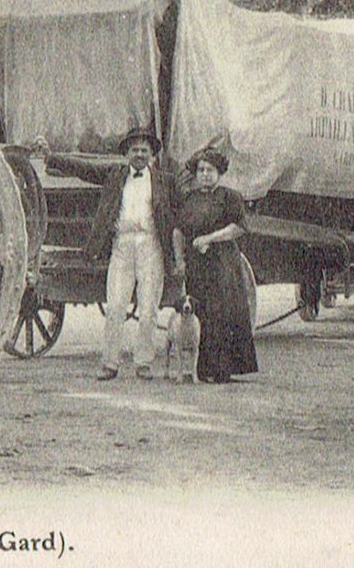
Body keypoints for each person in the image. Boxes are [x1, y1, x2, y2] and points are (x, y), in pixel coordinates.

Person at [34, 126, 177, 381]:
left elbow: (182, 208)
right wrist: (51, 157)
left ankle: (143, 363)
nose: (140, 155)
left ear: (152, 155)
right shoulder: (114, 174)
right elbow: (82, 169)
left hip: (151, 245)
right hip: (122, 245)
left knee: (148, 309)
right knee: (115, 307)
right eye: (135, 150)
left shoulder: (165, 180)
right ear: (126, 154)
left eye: (145, 150)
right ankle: (110, 363)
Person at [175, 146, 257, 383]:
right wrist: (180, 259)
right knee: (200, 313)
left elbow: (238, 227)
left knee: (222, 312)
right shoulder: (189, 199)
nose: (204, 174)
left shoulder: (229, 196)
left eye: (210, 170)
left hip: (222, 262)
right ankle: (202, 370)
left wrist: (210, 239)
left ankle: (224, 370)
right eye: (200, 170)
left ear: (219, 173)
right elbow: (178, 230)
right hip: (197, 264)